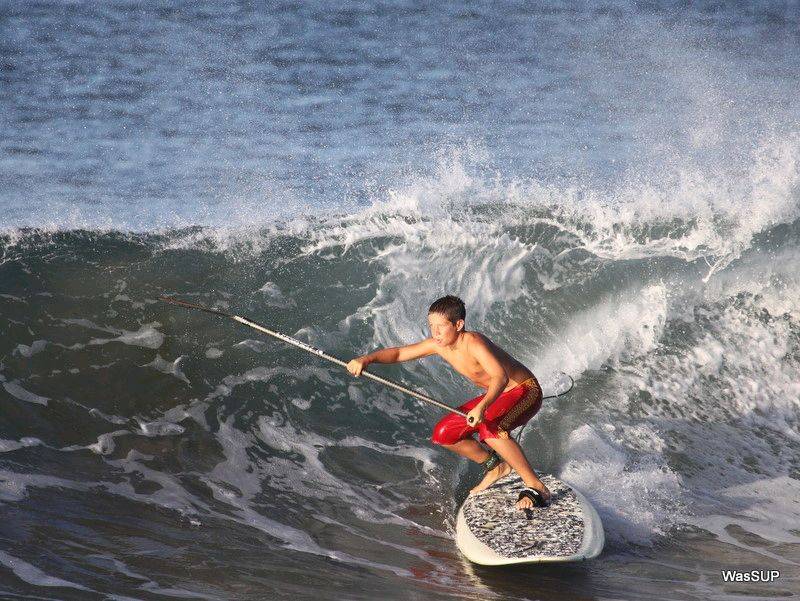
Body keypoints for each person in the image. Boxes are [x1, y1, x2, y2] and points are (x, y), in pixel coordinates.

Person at [347, 295, 550, 511]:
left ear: (458, 325)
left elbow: (499, 377)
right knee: (444, 434)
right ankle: (496, 466)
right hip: (499, 396)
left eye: (441, 327)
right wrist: (366, 359)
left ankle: (536, 485)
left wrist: (481, 407)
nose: (435, 332)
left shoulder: (474, 343)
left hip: (525, 391)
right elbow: (398, 353)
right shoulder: (438, 345)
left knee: (490, 427)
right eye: (431, 326)